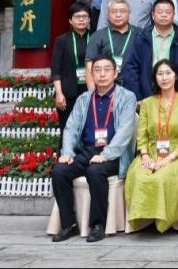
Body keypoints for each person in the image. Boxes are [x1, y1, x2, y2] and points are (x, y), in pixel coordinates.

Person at [51, 55, 137, 243]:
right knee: (59, 171)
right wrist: (67, 153)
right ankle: (69, 224)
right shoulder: (84, 99)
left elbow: (125, 131)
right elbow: (71, 128)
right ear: (91, 74)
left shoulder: (127, 97)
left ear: (115, 73)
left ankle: (98, 225)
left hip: (115, 154)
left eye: (107, 69)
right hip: (88, 151)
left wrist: (106, 154)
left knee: (95, 171)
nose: (102, 74)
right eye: (97, 70)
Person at [125, 60, 178, 232]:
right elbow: (141, 134)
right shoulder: (147, 103)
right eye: (160, 74)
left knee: (162, 177)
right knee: (138, 175)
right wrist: (144, 155)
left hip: (176, 155)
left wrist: (168, 159)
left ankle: (163, 220)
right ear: (155, 78)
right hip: (150, 152)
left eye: (168, 73)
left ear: (176, 76)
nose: (164, 78)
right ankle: (144, 220)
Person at [123, 0, 178, 100]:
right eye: (160, 12)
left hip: (175, 93)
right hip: (147, 91)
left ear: (173, 15)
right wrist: (137, 97)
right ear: (153, 15)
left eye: (168, 12)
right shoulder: (141, 37)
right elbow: (131, 68)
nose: (164, 15)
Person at [52, 3, 93, 141]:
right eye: (77, 16)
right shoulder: (62, 40)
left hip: (91, 90)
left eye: (85, 16)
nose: (81, 19)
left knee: (90, 128)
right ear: (70, 20)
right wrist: (59, 93)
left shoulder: (96, 38)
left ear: (89, 19)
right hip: (68, 92)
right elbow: (56, 69)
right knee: (67, 129)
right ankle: (65, 153)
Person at [85, 0, 137, 88]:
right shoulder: (98, 36)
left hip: (133, 87)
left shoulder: (140, 34)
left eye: (122, 11)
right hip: (104, 87)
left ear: (129, 14)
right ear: (108, 14)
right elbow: (89, 66)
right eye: (114, 11)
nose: (118, 15)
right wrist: (92, 93)